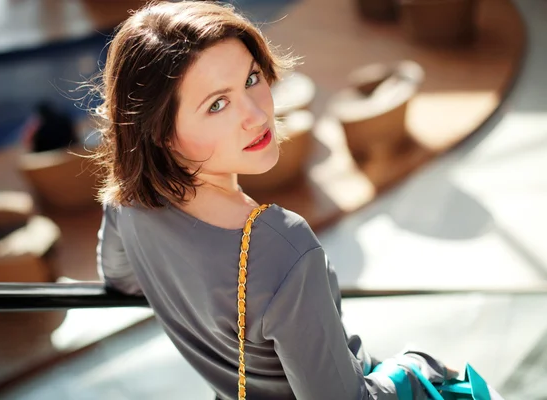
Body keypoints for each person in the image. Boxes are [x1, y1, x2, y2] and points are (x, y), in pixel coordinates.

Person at [93, 1, 455, 399]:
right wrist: (414, 368)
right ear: (160, 131)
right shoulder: (279, 244)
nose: (256, 114)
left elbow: (121, 281)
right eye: (217, 104)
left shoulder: (126, 201)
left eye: (250, 79)